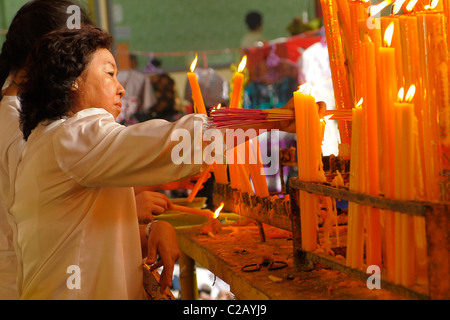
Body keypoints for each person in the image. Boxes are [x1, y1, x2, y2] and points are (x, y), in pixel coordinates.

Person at [0, 0, 179, 299]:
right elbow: (50, 224)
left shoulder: (39, 121)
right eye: (75, 51)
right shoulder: (22, 126)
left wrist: (139, 227)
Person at [0, 0, 95, 300]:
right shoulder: (20, 128)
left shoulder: (17, 116)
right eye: (78, 56)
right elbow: (42, 223)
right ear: (46, 56)